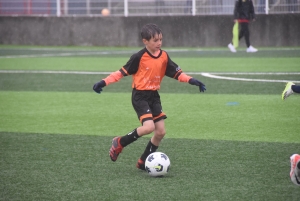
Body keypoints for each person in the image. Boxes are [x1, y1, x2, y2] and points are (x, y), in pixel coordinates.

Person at [93, 23, 206, 170]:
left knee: (160, 132)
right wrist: (103, 82)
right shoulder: (139, 57)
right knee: (148, 127)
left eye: (160, 39)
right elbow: (120, 73)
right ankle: (120, 142)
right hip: (140, 96)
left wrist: (192, 80)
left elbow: (177, 73)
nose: (159, 43)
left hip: (154, 96)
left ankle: (143, 161)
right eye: (155, 40)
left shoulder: (164, 56)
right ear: (145, 41)